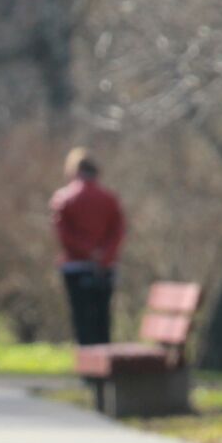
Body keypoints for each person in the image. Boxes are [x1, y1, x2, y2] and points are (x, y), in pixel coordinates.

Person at [50, 148, 125, 346]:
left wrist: (87, 251)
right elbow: (118, 231)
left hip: (75, 266)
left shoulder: (64, 198)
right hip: (104, 267)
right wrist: (103, 254)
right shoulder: (109, 198)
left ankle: (87, 366)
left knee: (82, 317)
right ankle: (105, 364)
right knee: (102, 317)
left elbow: (63, 234)